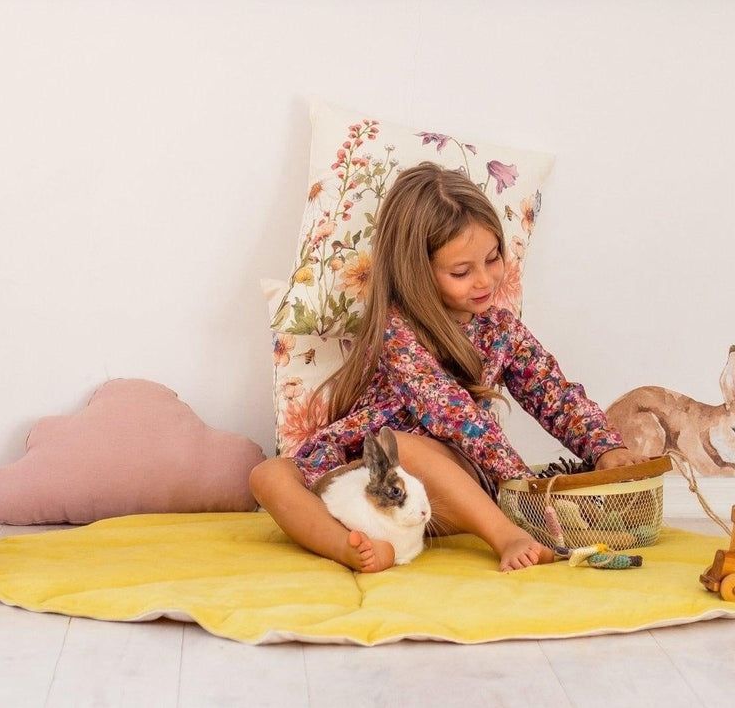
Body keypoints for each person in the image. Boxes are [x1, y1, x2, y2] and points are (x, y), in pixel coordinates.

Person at [250, 161, 648, 573]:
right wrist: (523, 484)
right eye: (461, 272)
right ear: (417, 273)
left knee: (404, 449)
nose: (485, 281)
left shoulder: (501, 330)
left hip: (448, 490)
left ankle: (504, 533)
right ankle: (351, 546)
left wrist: (606, 448)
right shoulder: (396, 330)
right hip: (369, 482)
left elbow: (556, 395)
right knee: (268, 475)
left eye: (493, 259)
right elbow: (451, 412)